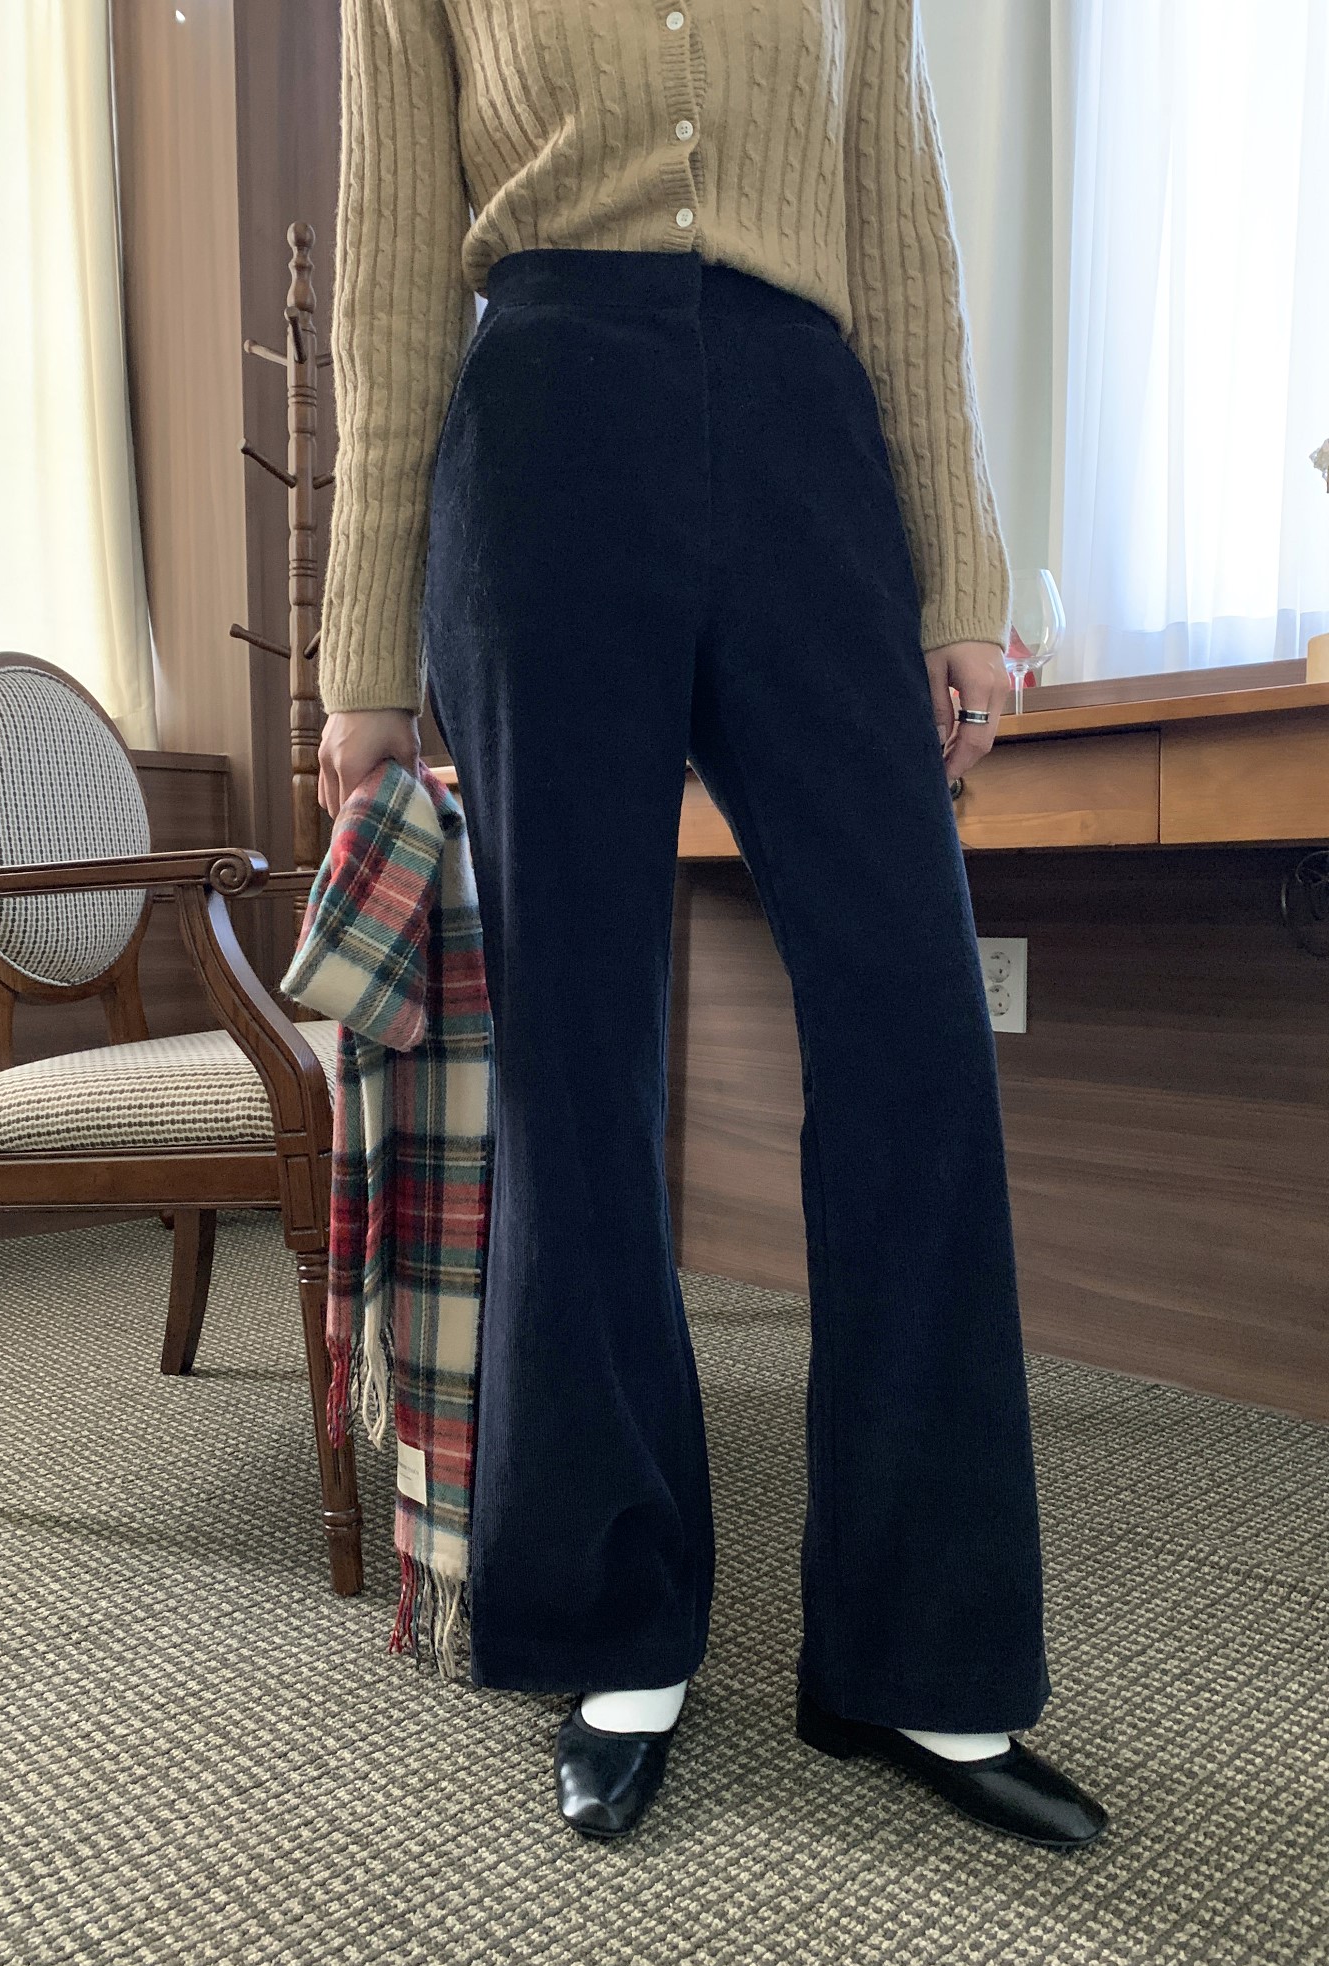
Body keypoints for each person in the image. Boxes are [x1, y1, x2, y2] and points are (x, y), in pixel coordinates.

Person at [314, 0, 1108, 1850]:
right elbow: (392, 277)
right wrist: (361, 652)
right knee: (578, 1059)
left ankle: (924, 1651)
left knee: (917, 1028)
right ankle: (616, 1623)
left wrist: (963, 580)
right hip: (541, 441)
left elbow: (901, 240)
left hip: (806, 433)